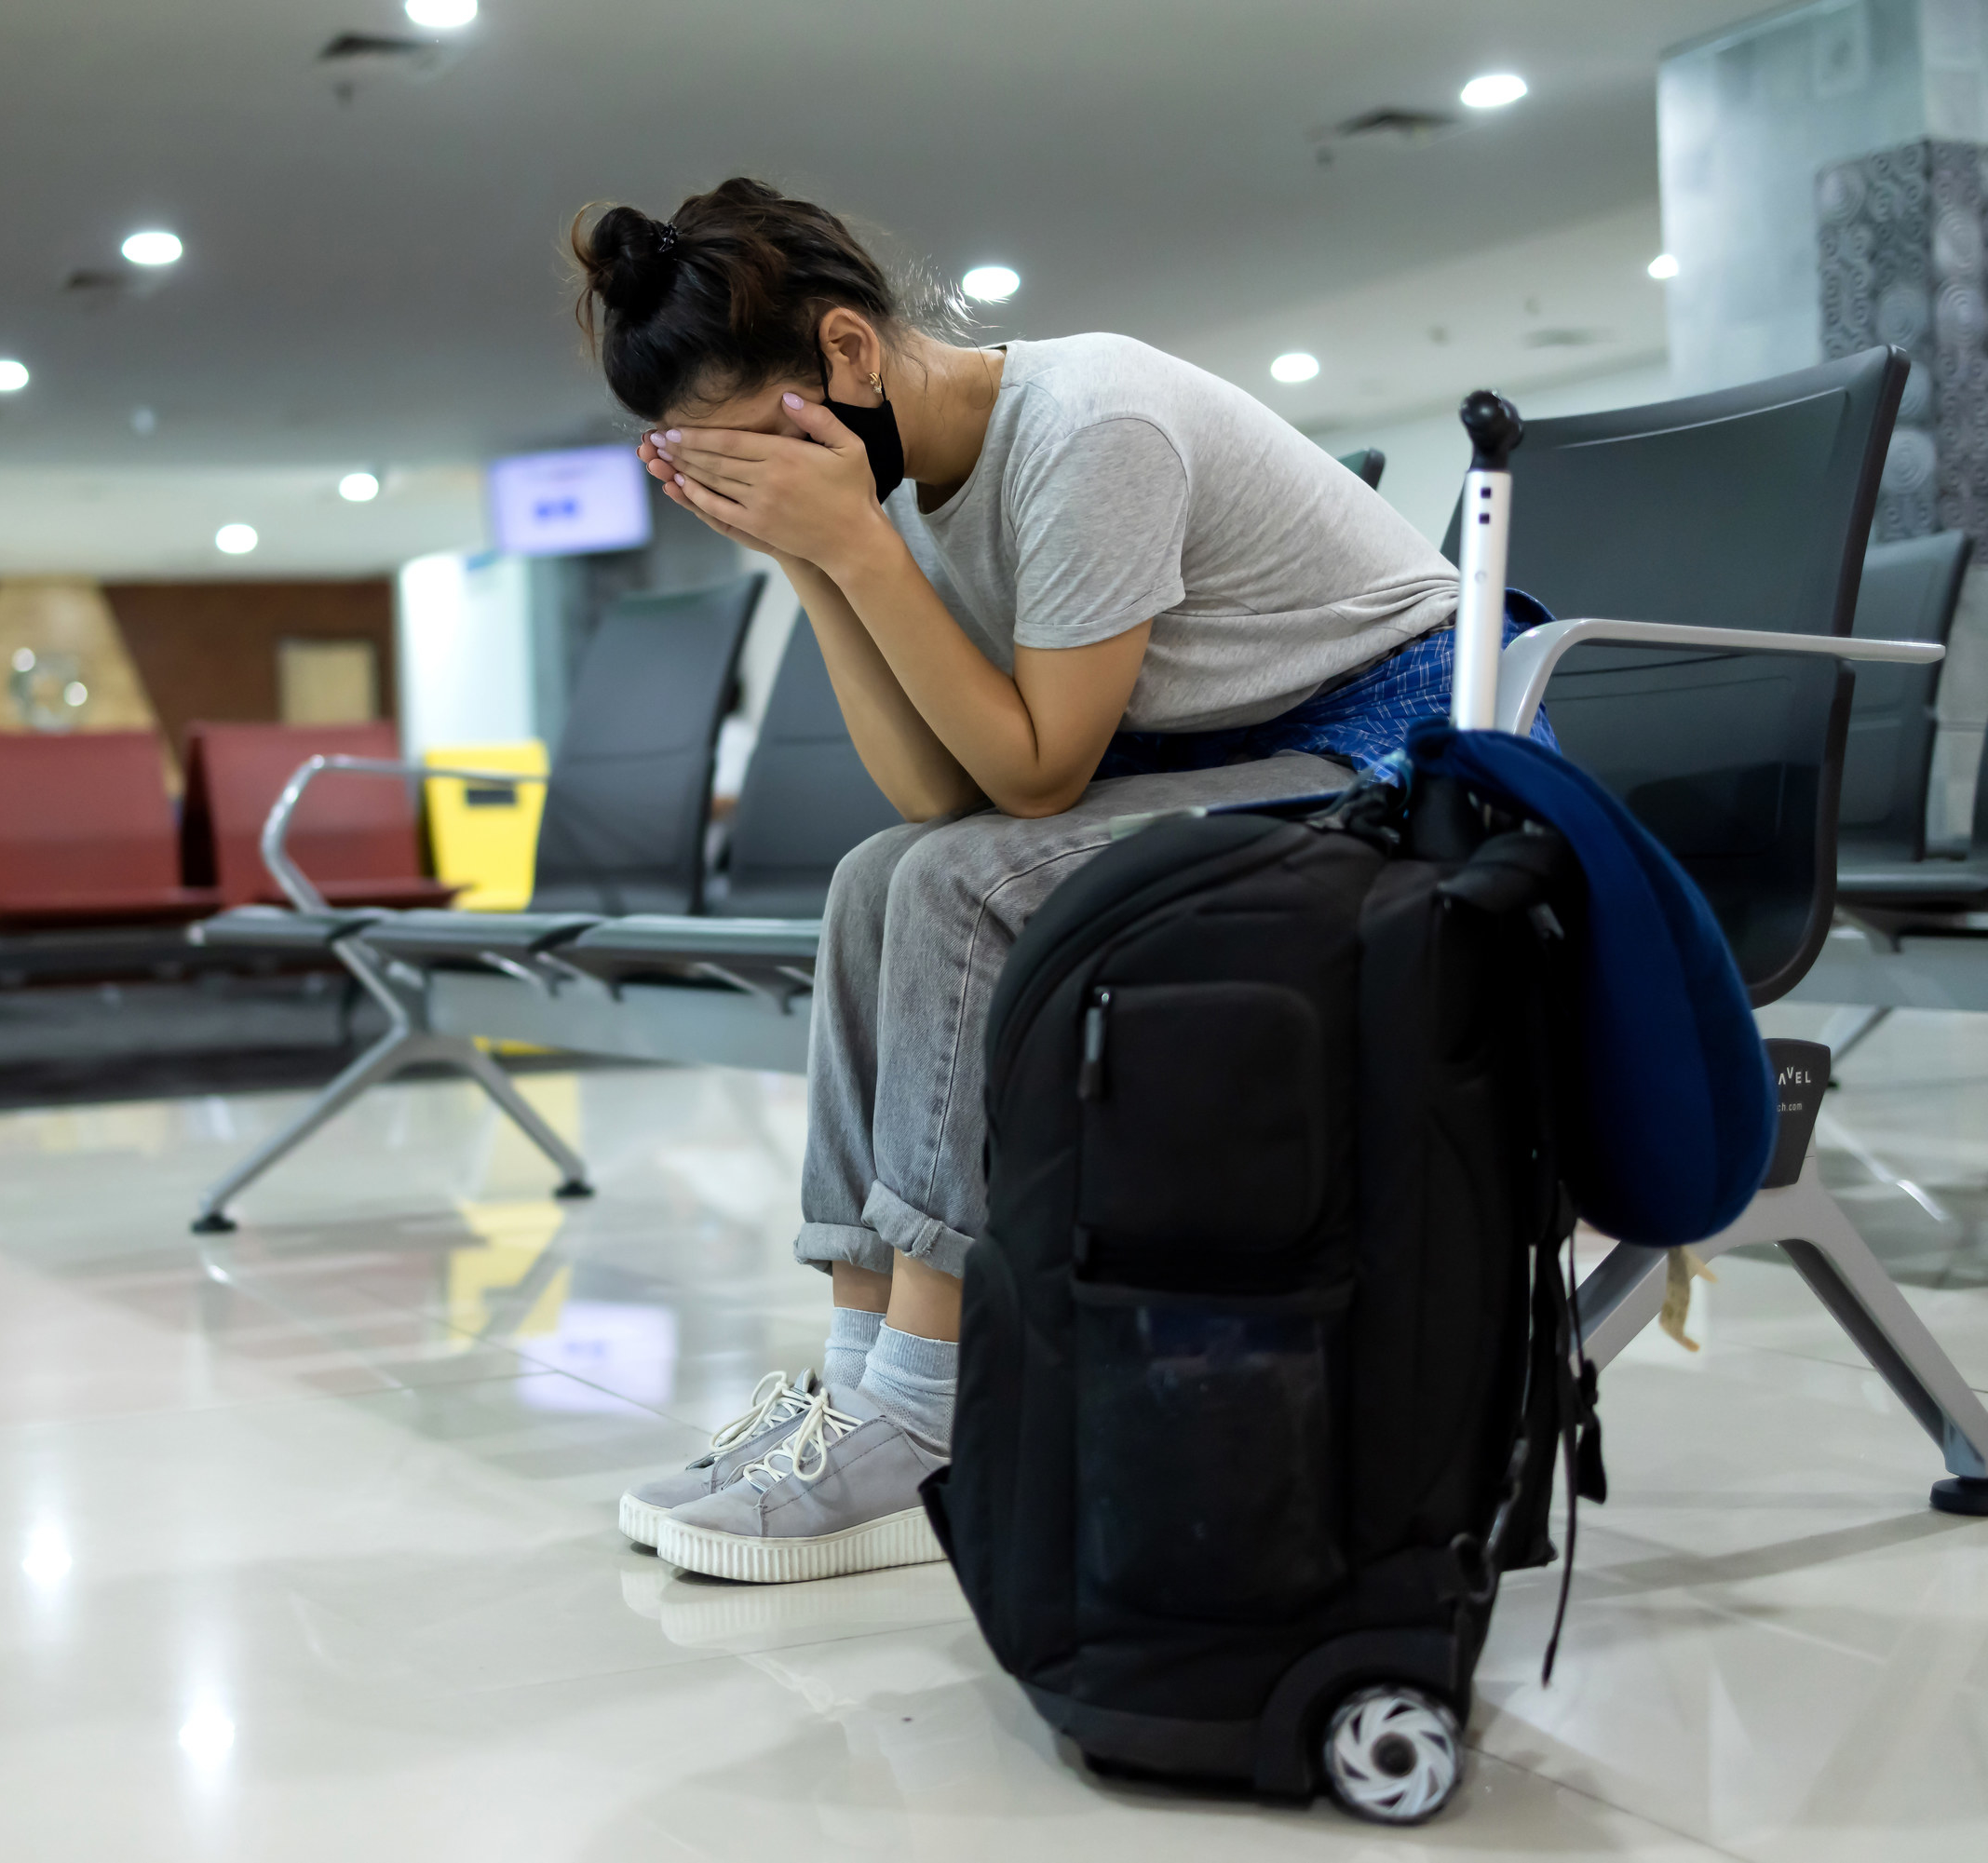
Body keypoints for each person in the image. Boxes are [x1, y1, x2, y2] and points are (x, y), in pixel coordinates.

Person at [580, 179, 1549, 1586]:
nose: (747, 488)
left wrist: (852, 541)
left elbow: (1030, 784)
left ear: (848, 356)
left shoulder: (1090, 424)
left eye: (751, 456)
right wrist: (818, 561)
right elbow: (931, 794)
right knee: (876, 876)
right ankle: (856, 1385)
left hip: (1398, 765)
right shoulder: (908, 488)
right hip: (1228, 766)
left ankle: (922, 1409)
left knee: (956, 885)